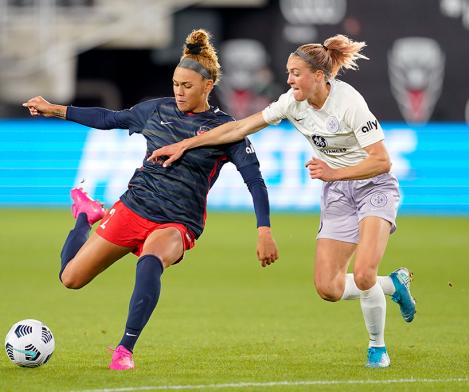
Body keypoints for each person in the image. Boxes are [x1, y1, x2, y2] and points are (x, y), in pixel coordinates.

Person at [148, 34, 416, 368]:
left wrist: (333, 173)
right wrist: (186, 144)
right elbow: (240, 127)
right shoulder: (292, 102)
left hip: (373, 186)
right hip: (338, 194)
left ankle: (377, 348)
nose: (289, 79)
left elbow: (382, 160)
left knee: (363, 275)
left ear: (319, 76)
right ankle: (394, 284)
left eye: (296, 73)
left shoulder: (349, 103)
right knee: (328, 288)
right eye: (288, 72)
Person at [22, 29, 279, 371]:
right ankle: (85, 214)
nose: (179, 91)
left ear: (208, 86)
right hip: (134, 206)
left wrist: (264, 230)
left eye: (187, 86)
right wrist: (55, 109)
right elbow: (109, 118)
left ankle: (124, 349)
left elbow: (255, 180)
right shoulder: (155, 111)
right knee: (70, 279)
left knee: (150, 261)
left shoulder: (225, 129)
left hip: (177, 222)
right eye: (175, 83)